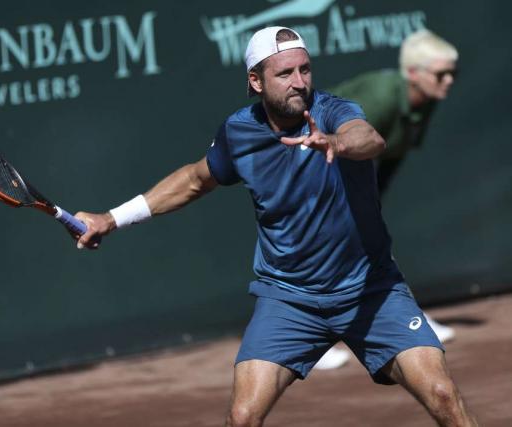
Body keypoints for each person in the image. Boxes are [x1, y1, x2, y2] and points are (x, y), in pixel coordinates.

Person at [74, 27, 477, 427]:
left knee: (442, 394)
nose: (299, 82)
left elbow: (368, 138)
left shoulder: (333, 111)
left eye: (305, 70)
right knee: (243, 416)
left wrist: (336, 143)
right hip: (289, 299)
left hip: (372, 290)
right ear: (255, 81)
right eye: (285, 73)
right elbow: (196, 180)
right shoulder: (238, 132)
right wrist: (111, 219)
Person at [329, 29, 458, 344]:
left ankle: (407, 318)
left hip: (348, 171)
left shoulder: (425, 100)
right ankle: (312, 340)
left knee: (371, 244)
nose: (449, 81)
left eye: (452, 74)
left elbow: (393, 154)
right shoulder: (382, 98)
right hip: (312, 162)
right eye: (441, 74)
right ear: (413, 74)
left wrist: (372, 205)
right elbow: (336, 150)